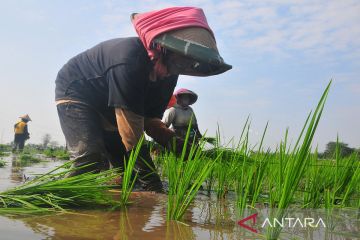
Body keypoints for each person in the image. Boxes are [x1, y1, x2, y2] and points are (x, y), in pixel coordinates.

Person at [55, 6, 231, 192]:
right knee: (89, 159)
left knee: (125, 175)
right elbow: (131, 132)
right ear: (162, 49)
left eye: (185, 66)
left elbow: (151, 122)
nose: (175, 71)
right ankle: (53, 201)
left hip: (113, 107)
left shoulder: (170, 76)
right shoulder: (129, 60)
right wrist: (153, 184)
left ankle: (108, 213)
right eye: (177, 63)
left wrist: (177, 145)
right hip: (78, 92)